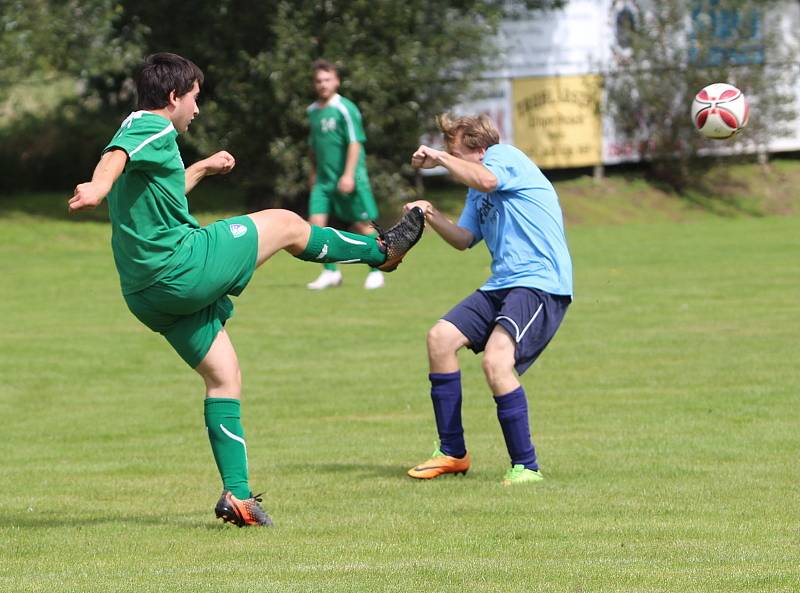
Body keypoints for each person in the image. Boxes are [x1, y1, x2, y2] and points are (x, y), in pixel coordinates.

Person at [68, 53, 424, 526]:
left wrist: (202, 169)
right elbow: (115, 158)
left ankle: (238, 497)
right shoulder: (149, 126)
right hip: (180, 267)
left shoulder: (150, 134)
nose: (198, 109)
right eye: (195, 98)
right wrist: (95, 188)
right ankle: (382, 251)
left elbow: (158, 191)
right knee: (285, 223)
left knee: (224, 377)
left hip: (147, 294)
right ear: (173, 97)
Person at [404, 113, 572, 486]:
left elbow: (487, 178)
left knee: (497, 362)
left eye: (455, 151)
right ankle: (452, 453)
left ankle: (526, 467)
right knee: (440, 338)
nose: (449, 158)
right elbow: (464, 238)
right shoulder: (475, 188)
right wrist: (429, 213)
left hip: (539, 283)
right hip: (502, 283)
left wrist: (438, 157)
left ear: (478, 149)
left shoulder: (505, 157)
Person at [305, 59, 385, 290]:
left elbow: (355, 143)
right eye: (319, 80)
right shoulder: (312, 111)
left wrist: (348, 175)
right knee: (315, 226)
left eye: (327, 79)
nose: (323, 84)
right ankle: (330, 273)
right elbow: (313, 147)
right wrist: (313, 174)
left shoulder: (345, 108)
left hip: (349, 178)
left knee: (363, 226)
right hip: (323, 180)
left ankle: (376, 270)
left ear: (337, 81)